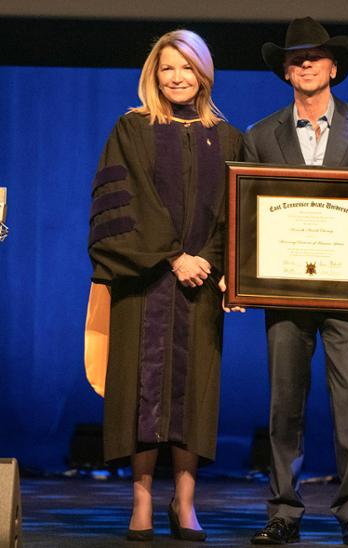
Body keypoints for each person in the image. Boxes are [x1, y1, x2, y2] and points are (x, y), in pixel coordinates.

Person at [244, 17, 348, 546]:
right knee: (283, 403)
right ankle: (284, 510)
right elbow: (248, 217)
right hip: (284, 293)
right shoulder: (260, 135)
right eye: (296, 58)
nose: (306, 63)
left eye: (316, 55)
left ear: (335, 67)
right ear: (285, 72)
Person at [88, 29, 242, 541]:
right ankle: (141, 498)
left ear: (204, 73)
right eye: (167, 68)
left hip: (202, 284)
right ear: (153, 74)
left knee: (193, 392)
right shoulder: (131, 128)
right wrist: (174, 257)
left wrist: (213, 264)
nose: (177, 77)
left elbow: (234, 217)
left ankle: (185, 499)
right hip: (144, 283)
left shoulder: (226, 136)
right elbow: (124, 204)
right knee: (140, 390)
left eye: (187, 67)